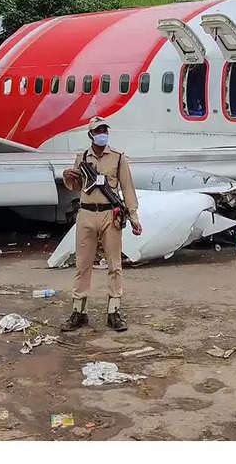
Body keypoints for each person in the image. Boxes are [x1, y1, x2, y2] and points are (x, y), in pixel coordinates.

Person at [60, 117, 142, 332]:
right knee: (82, 264)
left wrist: (133, 217)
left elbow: (128, 189)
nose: (102, 134)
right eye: (98, 131)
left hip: (110, 214)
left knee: (114, 265)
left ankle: (114, 311)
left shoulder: (117, 159)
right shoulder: (82, 158)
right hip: (86, 213)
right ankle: (79, 311)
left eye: (105, 130)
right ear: (91, 135)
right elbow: (75, 186)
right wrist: (67, 176)